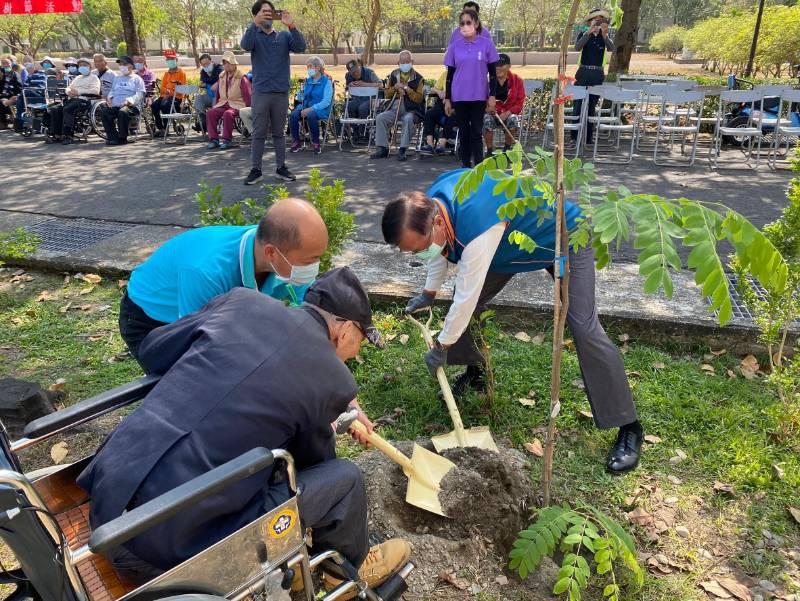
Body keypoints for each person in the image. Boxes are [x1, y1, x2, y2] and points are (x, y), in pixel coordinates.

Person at [78, 267, 410, 591]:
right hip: (169, 553)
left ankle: (299, 566)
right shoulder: (333, 378)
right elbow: (312, 465)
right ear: (347, 329)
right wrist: (322, 415)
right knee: (344, 480)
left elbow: (154, 350)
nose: (356, 351)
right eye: (361, 342)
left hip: (107, 500)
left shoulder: (242, 302)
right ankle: (346, 572)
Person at [380, 169, 643, 474]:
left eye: (419, 248)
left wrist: (442, 344)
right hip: (512, 244)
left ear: (437, 222)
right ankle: (476, 373)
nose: (420, 254)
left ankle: (629, 426)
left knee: (583, 327)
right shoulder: (433, 207)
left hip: (563, 237)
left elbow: (465, 293)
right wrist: (428, 292)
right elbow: (441, 250)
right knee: (468, 303)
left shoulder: (476, 226)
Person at [119, 197, 328, 367]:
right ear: (271, 253)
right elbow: (199, 347)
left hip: (211, 310)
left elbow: (297, 321)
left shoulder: (283, 257)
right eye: (309, 261)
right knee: (188, 388)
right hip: (152, 319)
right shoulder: (207, 271)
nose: (314, 267)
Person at [241, 0, 306, 185]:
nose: (268, 15)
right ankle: (256, 170)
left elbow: (300, 47)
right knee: (259, 133)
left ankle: (281, 167)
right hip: (261, 92)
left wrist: (291, 25)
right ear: (256, 15)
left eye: (270, 12)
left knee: (279, 133)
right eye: (264, 12)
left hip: (280, 93)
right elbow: (245, 45)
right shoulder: (254, 35)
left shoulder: (284, 36)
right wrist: (254, 24)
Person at [444, 8, 499, 168]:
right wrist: (448, 98)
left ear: (476, 23)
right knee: (464, 131)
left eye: (468, 22)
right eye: (462, 23)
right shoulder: (454, 46)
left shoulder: (486, 44)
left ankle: (479, 166)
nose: (465, 26)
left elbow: (493, 74)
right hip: (459, 96)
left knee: (476, 131)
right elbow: (450, 75)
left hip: (478, 95)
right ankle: (465, 165)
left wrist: (492, 96)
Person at [370, 50, 425, 162]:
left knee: (408, 119)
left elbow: (419, 99)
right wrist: (395, 87)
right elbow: (387, 93)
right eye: (402, 61)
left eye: (407, 61)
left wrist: (408, 90)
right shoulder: (393, 74)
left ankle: (403, 150)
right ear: (398, 62)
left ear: (412, 61)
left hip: (411, 110)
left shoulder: (419, 78)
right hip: (394, 107)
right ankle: (383, 148)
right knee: (381, 118)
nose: (405, 64)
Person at [572, 8, 614, 144]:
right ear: (590, 22)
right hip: (583, 72)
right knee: (578, 103)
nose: (597, 23)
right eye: (595, 21)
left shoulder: (604, 36)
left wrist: (605, 35)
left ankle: (588, 137)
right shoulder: (584, 34)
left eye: (600, 20)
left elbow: (611, 48)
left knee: (591, 106)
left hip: (597, 74)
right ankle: (574, 136)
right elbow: (577, 47)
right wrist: (588, 33)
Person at [43, 57, 100, 144]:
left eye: (85, 65)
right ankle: (56, 134)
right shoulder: (78, 78)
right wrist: (69, 92)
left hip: (84, 100)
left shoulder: (94, 78)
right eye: (80, 65)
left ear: (90, 67)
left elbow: (95, 91)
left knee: (68, 109)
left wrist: (79, 92)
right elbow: (69, 87)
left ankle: (68, 135)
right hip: (72, 99)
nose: (82, 67)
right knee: (55, 109)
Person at [206, 51, 251, 150]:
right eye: (225, 63)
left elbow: (248, 94)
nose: (227, 66)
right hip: (223, 103)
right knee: (211, 113)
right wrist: (217, 104)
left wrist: (248, 109)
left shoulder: (241, 77)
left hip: (238, 105)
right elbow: (217, 93)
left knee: (228, 113)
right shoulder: (221, 76)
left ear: (234, 64)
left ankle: (227, 140)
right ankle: (214, 140)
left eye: (229, 63)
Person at [482, 53, 524, 155]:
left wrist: (508, 113)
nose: (498, 68)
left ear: (509, 66)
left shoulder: (517, 80)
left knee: (514, 119)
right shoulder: (487, 80)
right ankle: (489, 150)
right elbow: (481, 99)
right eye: (496, 65)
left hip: (508, 113)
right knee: (486, 119)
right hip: (492, 114)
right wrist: (486, 108)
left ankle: (507, 150)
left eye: (502, 65)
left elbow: (520, 102)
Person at [289, 55, 332, 155]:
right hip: (305, 106)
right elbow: (300, 98)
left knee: (311, 115)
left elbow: (326, 101)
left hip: (320, 108)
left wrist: (311, 109)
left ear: (317, 67)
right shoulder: (307, 81)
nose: (308, 69)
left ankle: (316, 142)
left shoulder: (326, 82)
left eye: (310, 66)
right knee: (294, 115)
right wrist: (300, 93)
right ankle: (296, 142)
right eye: (307, 67)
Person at [98, 55, 145, 146]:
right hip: (116, 104)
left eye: (123, 64)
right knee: (105, 112)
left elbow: (140, 94)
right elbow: (112, 90)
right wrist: (110, 98)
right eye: (120, 64)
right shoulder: (117, 78)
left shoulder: (137, 79)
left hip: (131, 106)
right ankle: (112, 137)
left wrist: (128, 101)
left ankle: (122, 137)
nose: (121, 66)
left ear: (130, 66)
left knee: (123, 112)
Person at [419, 69, 456, 156]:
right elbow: (433, 89)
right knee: (430, 113)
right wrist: (439, 92)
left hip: (457, 105)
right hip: (441, 104)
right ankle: (430, 144)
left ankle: (442, 144)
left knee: (451, 115)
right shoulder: (446, 74)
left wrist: (449, 97)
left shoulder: (464, 74)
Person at [150, 49, 186, 137]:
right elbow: (162, 87)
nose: (170, 61)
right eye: (168, 60)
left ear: (176, 60)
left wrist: (170, 92)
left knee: (165, 105)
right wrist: (165, 92)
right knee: (154, 105)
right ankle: (160, 128)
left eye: (172, 59)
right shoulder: (166, 73)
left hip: (176, 97)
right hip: (164, 96)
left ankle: (166, 129)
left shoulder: (181, 73)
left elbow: (183, 88)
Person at [13, 56, 50, 133]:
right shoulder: (27, 76)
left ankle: (18, 122)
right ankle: (20, 123)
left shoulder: (41, 74)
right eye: (25, 61)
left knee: (24, 93)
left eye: (28, 61)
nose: (27, 63)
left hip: (40, 96)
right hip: (28, 97)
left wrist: (29, 88)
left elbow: (41, 87)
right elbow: (24, 87)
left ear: (33, 63)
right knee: (20, 98)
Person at [344, 58, 382, 123]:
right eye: (352, 73)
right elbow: (347, 88)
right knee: (347, 107)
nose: (355, 74)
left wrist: (364, 84)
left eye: (356, 70)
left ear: (359, 66)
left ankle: (364, 130)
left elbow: (380, 85)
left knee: (362, 108)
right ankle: (354, 129)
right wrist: (350, 85)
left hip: (372, 99)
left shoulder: (369, 72)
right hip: (358, 99)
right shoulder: (348, 76)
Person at [195, 53, 222, 132]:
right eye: (203, 65)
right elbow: (201, 82)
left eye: (207, 64)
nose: (206, 66)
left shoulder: (219, 68)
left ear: (211, 61)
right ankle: (203, 120)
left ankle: (214, 126)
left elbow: (216, 79)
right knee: (199, 98)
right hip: (209, 95)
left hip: (219, 96)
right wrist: (204, 83)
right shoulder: (203, 71)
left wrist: (206, 82)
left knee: (215, 101)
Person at [0, 57, 22, 129]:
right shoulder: (1, 73)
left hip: (12, 95)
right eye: (4, 64)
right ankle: (3, 122)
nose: (6, 65)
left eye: (8, 63)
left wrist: (14, 95)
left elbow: (19, 88)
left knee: (2, 102)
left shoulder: (15, 74)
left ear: (11, 64)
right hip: (2, 95)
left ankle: (4, 122)